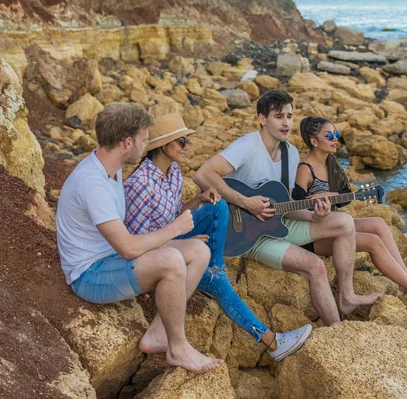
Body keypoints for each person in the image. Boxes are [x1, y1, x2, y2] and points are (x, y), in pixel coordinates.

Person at [124, 113, 311, 361]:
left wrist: (197, 200)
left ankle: (215, 267)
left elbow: (174, 214)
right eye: (182, 142)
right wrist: (182, 243)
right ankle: (271, 340)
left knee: (218, 204)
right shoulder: (141, 184)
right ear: (163, 146)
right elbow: (137, 245)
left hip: (172, 239)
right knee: (217, 280)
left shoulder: (173, 172)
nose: (187, 147)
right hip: (155, 253)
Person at [56, 103, 224, 374]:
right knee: (171, 260)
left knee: (198, 252)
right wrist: (176, 228)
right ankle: (179, 349)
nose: (147, 146)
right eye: (145, 139)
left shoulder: (112, 166)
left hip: (109, 258)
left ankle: (158, 334)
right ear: (127, 142)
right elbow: (127, 247)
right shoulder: (92, 184)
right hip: (89, 275)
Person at [194, 90, 380, 326]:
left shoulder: (290, 153)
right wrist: (246, 202)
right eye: (279, 116)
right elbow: (202, 175)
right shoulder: (248, 146)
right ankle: (338, 330)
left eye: (290, 116)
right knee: (315, 265)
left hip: (276, 222)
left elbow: (284, 205)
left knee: (344, 222)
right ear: (262, 119)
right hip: (246, 235)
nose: (286, 123)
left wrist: (314, 215)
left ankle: (347, 296)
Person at [293, 116, 407, 309]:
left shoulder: (331, 164)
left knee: (378, 223)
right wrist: (315, 209)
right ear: (314, 141)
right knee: (373, 242)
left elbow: (345, 196)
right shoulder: (304, 169)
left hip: (331, 225)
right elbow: (296, 207)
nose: (335, 139)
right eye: (329, 135)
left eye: (336, 134)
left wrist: (329, 195)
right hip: (310, 235)